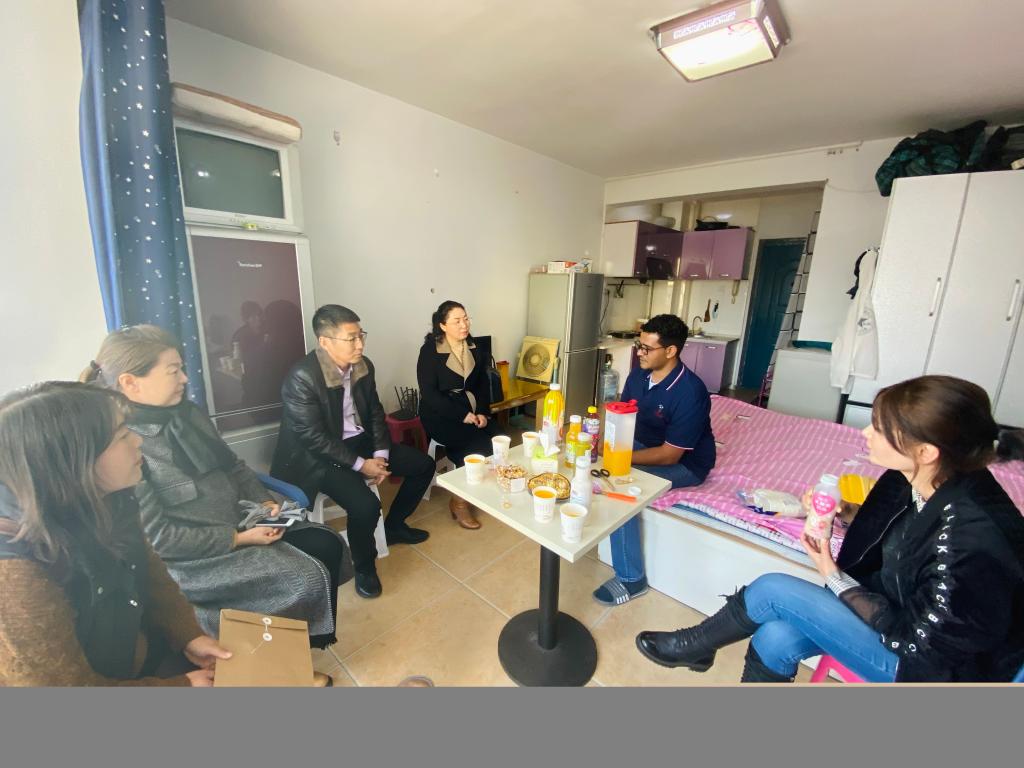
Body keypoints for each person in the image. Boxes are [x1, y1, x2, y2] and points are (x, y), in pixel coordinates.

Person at [634, 375, 1024, 683]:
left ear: (926, 451)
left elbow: (922, 644)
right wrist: (846, 512)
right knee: (774, 637)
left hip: (933, 668)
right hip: (898, 608)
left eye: (879, 428)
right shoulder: (922, 477)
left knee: (773, 589)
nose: (865, 434)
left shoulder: (973, 538)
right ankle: (704, 652)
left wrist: (832, 574)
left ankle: (698, 645)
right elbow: (906, 532)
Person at [83, 326, 350, 650]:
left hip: (243, 519)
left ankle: (306, 644)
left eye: (182, 368)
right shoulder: (125, 447)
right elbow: (161, 541)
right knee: (303, 577)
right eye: (173, 371)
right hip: (198, 557)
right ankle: (280, 654)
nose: (184, 378)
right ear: (130, 382)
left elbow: (233, 466)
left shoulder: (189, 415)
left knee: (328, 543)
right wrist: (238, 538)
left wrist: (264, 503)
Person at [0, 382, 231, 686]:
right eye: (122, 435)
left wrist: (187, 634)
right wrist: (181, 686)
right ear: (73, 461)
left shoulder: (110, 498)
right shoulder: (15, 572)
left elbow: (150, 573)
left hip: (131, 660)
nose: (138, 441)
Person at [272, 305, 435, 599]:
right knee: (366, 506)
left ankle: (395, 526)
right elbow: (313, 437)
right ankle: (364, 566)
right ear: (325, 342)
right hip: (317, 457)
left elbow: (375, 412)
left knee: (423, 465)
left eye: (361, 335)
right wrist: (362, 465)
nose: (360, 344)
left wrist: (381, 455)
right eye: (351, 338)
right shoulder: (303, 377)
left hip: (359, 441)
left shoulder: (362, 365)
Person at [592, 314, 716, 607]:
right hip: (644, 443)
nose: (639, 353)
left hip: (685, 463)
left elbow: (670, 454)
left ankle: (632, 579)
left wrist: (621, 458)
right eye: (639, 345)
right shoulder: (639, 375)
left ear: (671, 351)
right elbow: (622, 412)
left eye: (647, 348)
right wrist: (602, 440)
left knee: (620, 487)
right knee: (592, 463)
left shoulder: (691, 392)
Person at [417, 300, 502, 530]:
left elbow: (482, 384)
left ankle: (478, 487)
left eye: (466, 319)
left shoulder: (474, 347)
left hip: (471, 407)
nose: (464, 325)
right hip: (439, 413)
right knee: (474, 445)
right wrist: (462, 415)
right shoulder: (430, 351)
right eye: (457, 321)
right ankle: (459, 502)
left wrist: (482, 411)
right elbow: (429, 394)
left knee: (497, 437)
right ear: (443, 325)